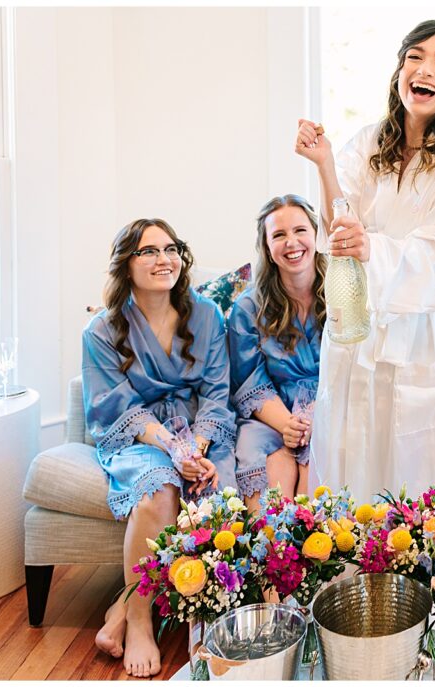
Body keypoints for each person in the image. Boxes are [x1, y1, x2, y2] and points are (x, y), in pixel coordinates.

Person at [294, 19, 435, 505]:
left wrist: (373, 249)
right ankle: (352, 575)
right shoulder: (368, 141)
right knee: (352, 454)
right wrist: (323, 165)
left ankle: (421, 577)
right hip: (359, 326)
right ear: (400, 69)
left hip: (423, 334)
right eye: (415, 56)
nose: (425, 69)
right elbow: (341, 221)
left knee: (420, 467)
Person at [84, 219, 236, 677]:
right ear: (125, 264)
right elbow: (117, 408)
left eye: (170, 249)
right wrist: (174, 449)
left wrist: (198, 446)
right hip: (139, 437)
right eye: (148, 251)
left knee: (221, 489)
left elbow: (217, 391)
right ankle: (138, 619)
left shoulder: (206, 314)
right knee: (159, 488)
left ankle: (144, 608)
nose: (163, 259)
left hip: (200, 431)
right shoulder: (101, 331)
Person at [228, 195, 324, 508]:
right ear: (267, 248)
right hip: (270, 417)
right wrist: (288, 425)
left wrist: (313, 421)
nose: (291, 242)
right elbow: (250, 381)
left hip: (329, 411)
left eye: (300, 230)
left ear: (316, 235)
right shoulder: (247, 307)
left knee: (315, 506)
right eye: (279, 235)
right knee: (273, 510)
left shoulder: (343, 290)